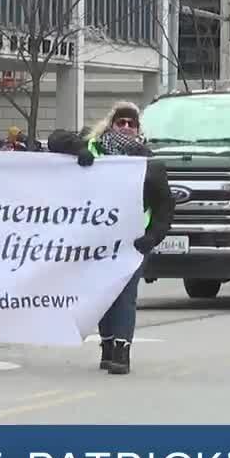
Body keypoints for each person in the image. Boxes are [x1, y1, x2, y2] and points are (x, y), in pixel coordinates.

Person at [47, 102, 173, 375]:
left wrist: (152, 238)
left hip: (133, 240)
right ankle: (106, 345)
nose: (125, 128)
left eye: (131, 124)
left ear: (138, 129)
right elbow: (55, 139)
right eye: (120, 123)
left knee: (126, 295)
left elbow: (165, 207)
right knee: (104, 293)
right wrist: (78, 150)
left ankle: (121, 351)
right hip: (96, 240)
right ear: (111, 124)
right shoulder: (92, 147)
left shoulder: (148, 162)